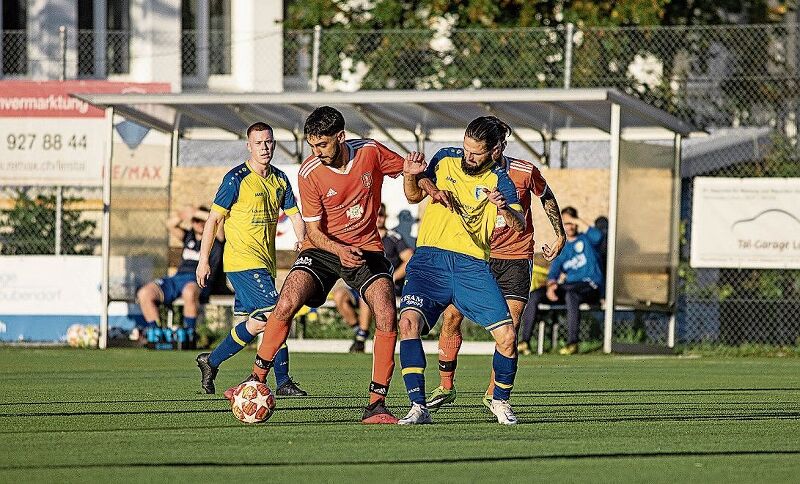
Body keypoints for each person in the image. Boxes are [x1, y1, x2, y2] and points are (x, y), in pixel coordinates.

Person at [240, 106, 422, 424]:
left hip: (366, 249)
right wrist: (338, 250)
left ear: (340, 137)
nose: (317, 151)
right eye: (312, 145)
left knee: (386, 311)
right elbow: (313, 231)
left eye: (322, 144)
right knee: (286, 302)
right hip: (323, 248)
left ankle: (376, 404)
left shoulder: (370, 150)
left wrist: (423, 180)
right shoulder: (309, 171)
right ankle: (255, 381)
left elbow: (407, 170)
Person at [425, 117, 566, 412]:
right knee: (451, 318)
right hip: (477, 255)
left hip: (515, 257)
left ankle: (495, 396)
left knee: (509, 329)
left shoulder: (524, 171)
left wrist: (559, 233)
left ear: (498, 147)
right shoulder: (465, 168)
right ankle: (446, 386)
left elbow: (545, 195)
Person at [397, 116, 527, 425]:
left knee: (508, 337)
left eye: (476, 152)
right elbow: (414, 194)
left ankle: (500, 401)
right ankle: (418, 407)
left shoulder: (501, 180)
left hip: (471, 267)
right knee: (408, 323)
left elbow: (519, 226)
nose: (468, 156)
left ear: (495, 150)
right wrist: (410, 175)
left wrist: (504, 208)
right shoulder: (444, 158)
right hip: (430, 261)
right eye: (466, 148)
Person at [194, 121, 307, 396]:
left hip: (264, 263)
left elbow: (295, 215)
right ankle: (282, 381)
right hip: (242, 262)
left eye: (268, 142)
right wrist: (203, 260)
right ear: (249, 146)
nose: (265, 147)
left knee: (257, 324)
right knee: (277, 314)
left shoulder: (280, 179)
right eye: (259, 143)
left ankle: (211, 361)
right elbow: (213, 220)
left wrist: (302, 240)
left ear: (274, 144)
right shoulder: (236, 178)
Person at [519, 206, 605, 355]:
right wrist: (551, 285)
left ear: (576, 223)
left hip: (589, 285)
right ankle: (524, 342)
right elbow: (553, 272)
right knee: (535, 296)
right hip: (568, 288)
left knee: (571, 295)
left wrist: (575, 219)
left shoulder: (587, 240)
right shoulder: (562, 248)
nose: (569, 226)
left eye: (571, 222)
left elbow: (598, 237)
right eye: (565, 223)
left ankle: (572, 343)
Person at [135, 205, 224, 348]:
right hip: (178, 278)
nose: (199, 223)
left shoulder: (216, 238)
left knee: (189, 292)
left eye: (202, 220)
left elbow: (218, 221)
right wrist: (185, 214)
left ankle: (189, 334)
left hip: (199, 280)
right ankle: (157, 334)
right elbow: (169, 224)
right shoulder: (188, 236)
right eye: (195, 221)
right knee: (145, 293)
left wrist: (197, 213)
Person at [333, 202, 414, 353]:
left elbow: (409, 259)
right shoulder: (361, 237)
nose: (379, 218)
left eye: (381, 215)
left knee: (368, 293)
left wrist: (393, 276)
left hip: (385, 287)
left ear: (386, 217)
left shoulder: (393, 238)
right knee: (339, 295)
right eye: (376, 215)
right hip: (358, 284)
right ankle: (359, 331)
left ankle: (361, 339)